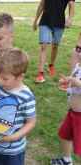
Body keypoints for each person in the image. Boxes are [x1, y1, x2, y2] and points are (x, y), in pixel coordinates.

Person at [51, 33, 81, 165]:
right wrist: (68, 82)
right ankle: (66, 160)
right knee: (65, 135)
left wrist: (77, 83)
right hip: (73, 112)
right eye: (78, 49)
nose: (79, 54)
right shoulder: (79, 66)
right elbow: (74, 82)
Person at [33, 0, 75, 83]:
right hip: (45, 20)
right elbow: (42, 4)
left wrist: (70, 19)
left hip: (59, 22)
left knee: (55, 46)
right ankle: (40, 74)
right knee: (43, 45)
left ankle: (51, 65)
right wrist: (35, 20)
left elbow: (71, 5)